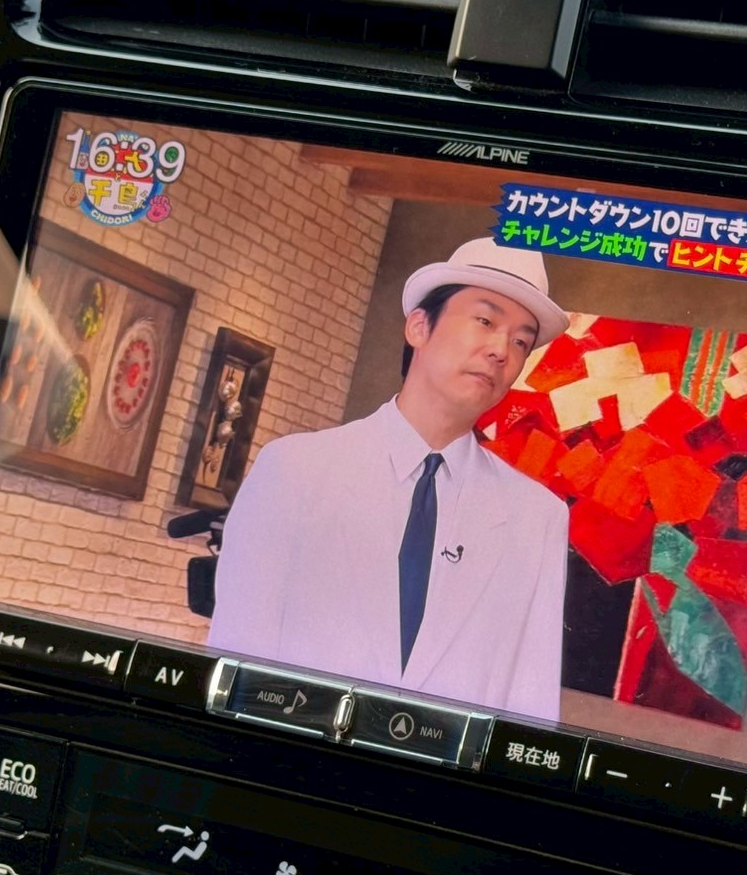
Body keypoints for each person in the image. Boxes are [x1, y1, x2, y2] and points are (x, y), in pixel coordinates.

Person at [207, 238, 572, 720]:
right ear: (419, 326)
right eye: (485, 321)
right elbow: (236, 667)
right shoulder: (295, 470)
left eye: (521, 341)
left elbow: (531, 703)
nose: (501, 350)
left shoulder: (537, 519)